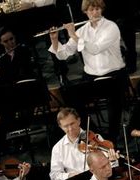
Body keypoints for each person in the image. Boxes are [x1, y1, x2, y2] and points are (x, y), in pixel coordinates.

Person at [49, 0, 130, 142]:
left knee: (114, 102)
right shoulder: (82, 30)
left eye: (98, 9)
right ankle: (95, 134)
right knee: (71, 96)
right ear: (85, 11)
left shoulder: (111, 27)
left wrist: (73, 35)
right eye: (91, 10)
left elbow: (95, 49)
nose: (95, 12)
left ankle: (112, 138)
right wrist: (55, 40)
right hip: (91, 77)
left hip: (114, 75)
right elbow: (64, 54)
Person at [49, 107, 89, 180]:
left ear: (79, 121)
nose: (70, 129)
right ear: (61, 127)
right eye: (66, 126)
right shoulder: (57, 148)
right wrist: (69, 175)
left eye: (72, 123)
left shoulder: (94, 139)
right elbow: (54, 175)